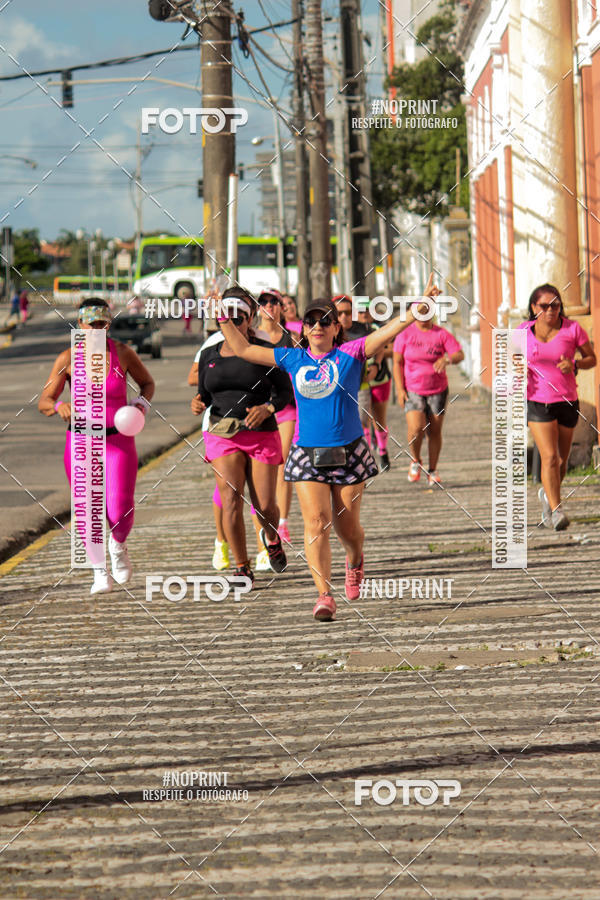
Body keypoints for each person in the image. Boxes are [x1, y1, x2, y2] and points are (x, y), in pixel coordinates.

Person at [219, 275, 440, 622]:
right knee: (316, 522)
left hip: (350, 452)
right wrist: (223, 314)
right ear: (304, 329)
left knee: (346, 528)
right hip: (307, 453)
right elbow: (245, 349)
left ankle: (355, 560)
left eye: (325, 321)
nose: (317, 326)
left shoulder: (351, 353)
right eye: (311, 321)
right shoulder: (293, 359)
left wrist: (416, 308)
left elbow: (389, 331)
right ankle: (324, 595)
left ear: (337, 328)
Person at [38, 298, 155, 594]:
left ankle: (118, 546)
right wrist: (60, 405)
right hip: (80, 441)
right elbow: (44, 401)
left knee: (119, 508)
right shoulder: (67, 358)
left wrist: (140, 405)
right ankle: (98, 571)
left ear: (109, 323)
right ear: (80, 325)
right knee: (87, 508)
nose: (98, 330)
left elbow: (147, 384)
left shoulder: (123, 353)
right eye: (92, 325)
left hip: (118, 439)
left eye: (103, 324)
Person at [191, 287, 289, 583]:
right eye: (228, 316)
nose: (234, 321)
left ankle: (271, 537)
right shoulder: (210, 353)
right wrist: (198, 402)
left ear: (249, 320)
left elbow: (284, 393)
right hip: (223, 432)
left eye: (240, 316)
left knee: (264, 504)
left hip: (261, 433)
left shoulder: (263, 350)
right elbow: (205, 393)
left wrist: (269, 407)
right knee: (231, 498)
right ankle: (242, 566)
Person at [518, 284, 596, 530]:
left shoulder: (573, 329)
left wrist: (574, 364)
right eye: (545, 306)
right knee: (549, 457)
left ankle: (547, 496)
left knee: (561, 461)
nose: (551, 310)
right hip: (537, 401)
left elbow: (591, 358)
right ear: (534, 308)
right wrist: (517, 367)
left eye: (556, 305)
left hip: (567, 400)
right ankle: (556, 509)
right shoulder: (522, 331)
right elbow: (510, 360)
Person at [393, 304, 463, 486]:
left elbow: (459, 354)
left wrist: (447, 359)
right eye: (420, 311)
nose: (424, 314)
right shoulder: (405, 334)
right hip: (413, 389)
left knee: (435, 431)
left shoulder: (441, 334)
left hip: (438, 389)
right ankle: (415, 460)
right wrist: (400, 389)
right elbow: (397, 362)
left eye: (428, 311)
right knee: (416, 429)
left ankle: (433, 469)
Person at [254, 288, 299, 545]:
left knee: (282, 463)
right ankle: (265, 518)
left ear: (282, 307)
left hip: (285, 407)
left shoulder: (290, 339)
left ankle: (282, 522)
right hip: (257, 407)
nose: (269, 306)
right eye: (263, 302)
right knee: (264, 468)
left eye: (274, 301)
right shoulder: (251, 338)